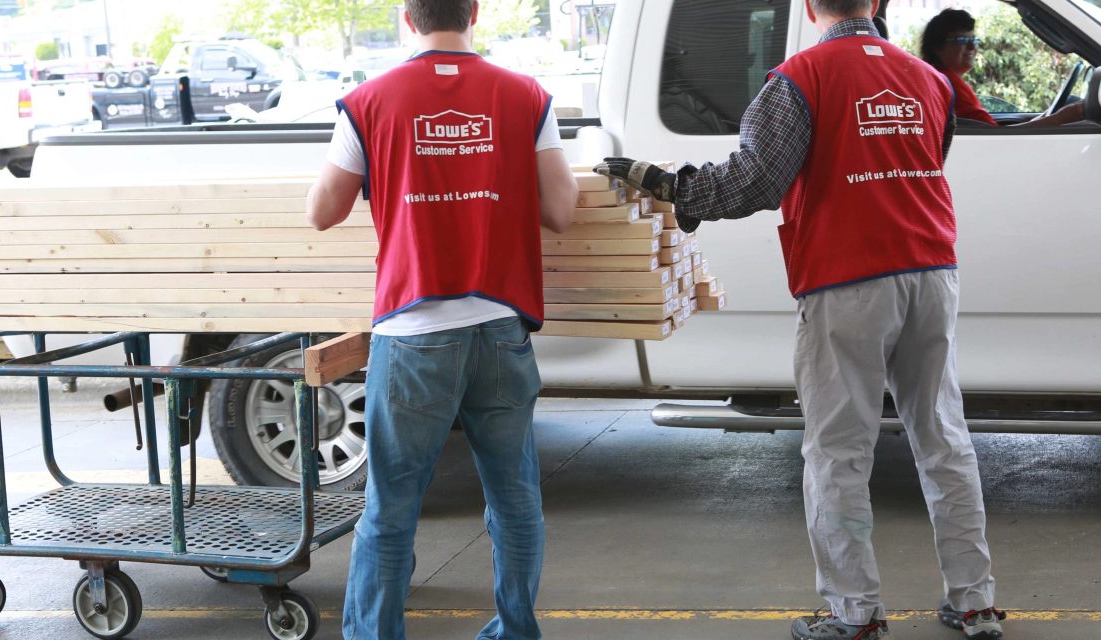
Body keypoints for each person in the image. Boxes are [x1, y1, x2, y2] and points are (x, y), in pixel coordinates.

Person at [595, 0, 1003, 638]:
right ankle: (975, 604)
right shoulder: (931, 81)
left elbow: (754, 184)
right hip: (931, 271)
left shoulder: (798, 80)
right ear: (875, 4)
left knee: (839, 450)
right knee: (943, 436)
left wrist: (667, 184)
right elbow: (925, 160)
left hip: (848, 281)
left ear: (811, 5)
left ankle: (855, 614)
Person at [305, 1, 578, 638]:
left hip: (413, 333)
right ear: (475, 12)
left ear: (408, 18)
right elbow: (561, 209)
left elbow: (322, 211)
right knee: (514, 498)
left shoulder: (369, 103)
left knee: (392, 506)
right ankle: (515, 629)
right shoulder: (526, 96)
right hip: (501, 328)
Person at [921, 8, 1084, 127]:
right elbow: (994, 138)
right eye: (962, 40)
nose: (972, 47)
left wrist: (1048, 115)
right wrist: (1063, 117)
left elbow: (992, 132)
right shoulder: (948, 85)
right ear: (937, 46)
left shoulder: (945, 80)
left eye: (974, 40)